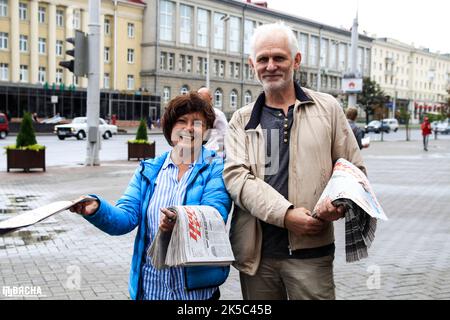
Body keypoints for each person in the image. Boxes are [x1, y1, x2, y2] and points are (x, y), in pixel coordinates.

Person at [223, 22, 366, 300]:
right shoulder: (241, 120)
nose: (271, 65)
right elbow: (236, 179)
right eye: (263, 59)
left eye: (279, 57)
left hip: (311, 251)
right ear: (253, 64)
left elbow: (353, 170)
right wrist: (286, 216)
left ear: (296, 61)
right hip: (257, 256)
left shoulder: (328, 109)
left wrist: (336, 205)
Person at [70, 92, 232, 300]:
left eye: (197, 123)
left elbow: (214, 214)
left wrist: (180, 221)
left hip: (195, 294)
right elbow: (125, 218)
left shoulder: (216, 169)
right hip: (150, 288)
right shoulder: (149, 170)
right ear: (170, 128)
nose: (190, 128)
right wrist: (97, 209)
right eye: (182, 121)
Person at [197, 87, 228, 154]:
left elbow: (226, 134)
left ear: (210, 98)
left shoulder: (217, 114)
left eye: (203, 99)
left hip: (215, 154)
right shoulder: (196, 114)